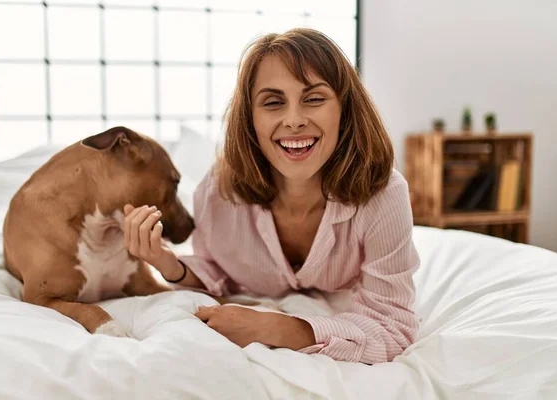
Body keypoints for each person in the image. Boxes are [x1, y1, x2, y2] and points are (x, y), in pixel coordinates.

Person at [123, 28, 421, 364]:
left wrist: (281, 329)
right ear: (251, 119)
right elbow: (216, 268)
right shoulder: (218, 191)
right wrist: (168, 264)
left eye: (314, 98)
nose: (294, 120)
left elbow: (393, 329)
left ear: (345, 110)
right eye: (273, 102)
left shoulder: (384, 196)